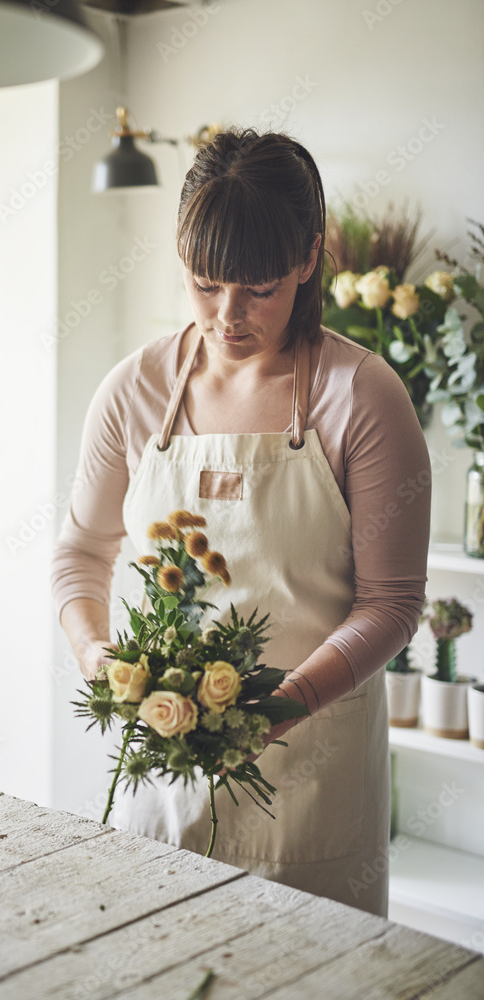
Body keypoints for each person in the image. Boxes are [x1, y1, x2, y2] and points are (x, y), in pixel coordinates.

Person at [51, 129, 431, 918]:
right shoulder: (134, 390)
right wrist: (98, 659)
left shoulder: (360, 396)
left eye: (257, 288)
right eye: (203, 283)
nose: (227, 315)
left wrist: (277, 710)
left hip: (310, 780)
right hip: (163, 774)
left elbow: (391, 605)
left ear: (308, 259)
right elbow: (81, 553)